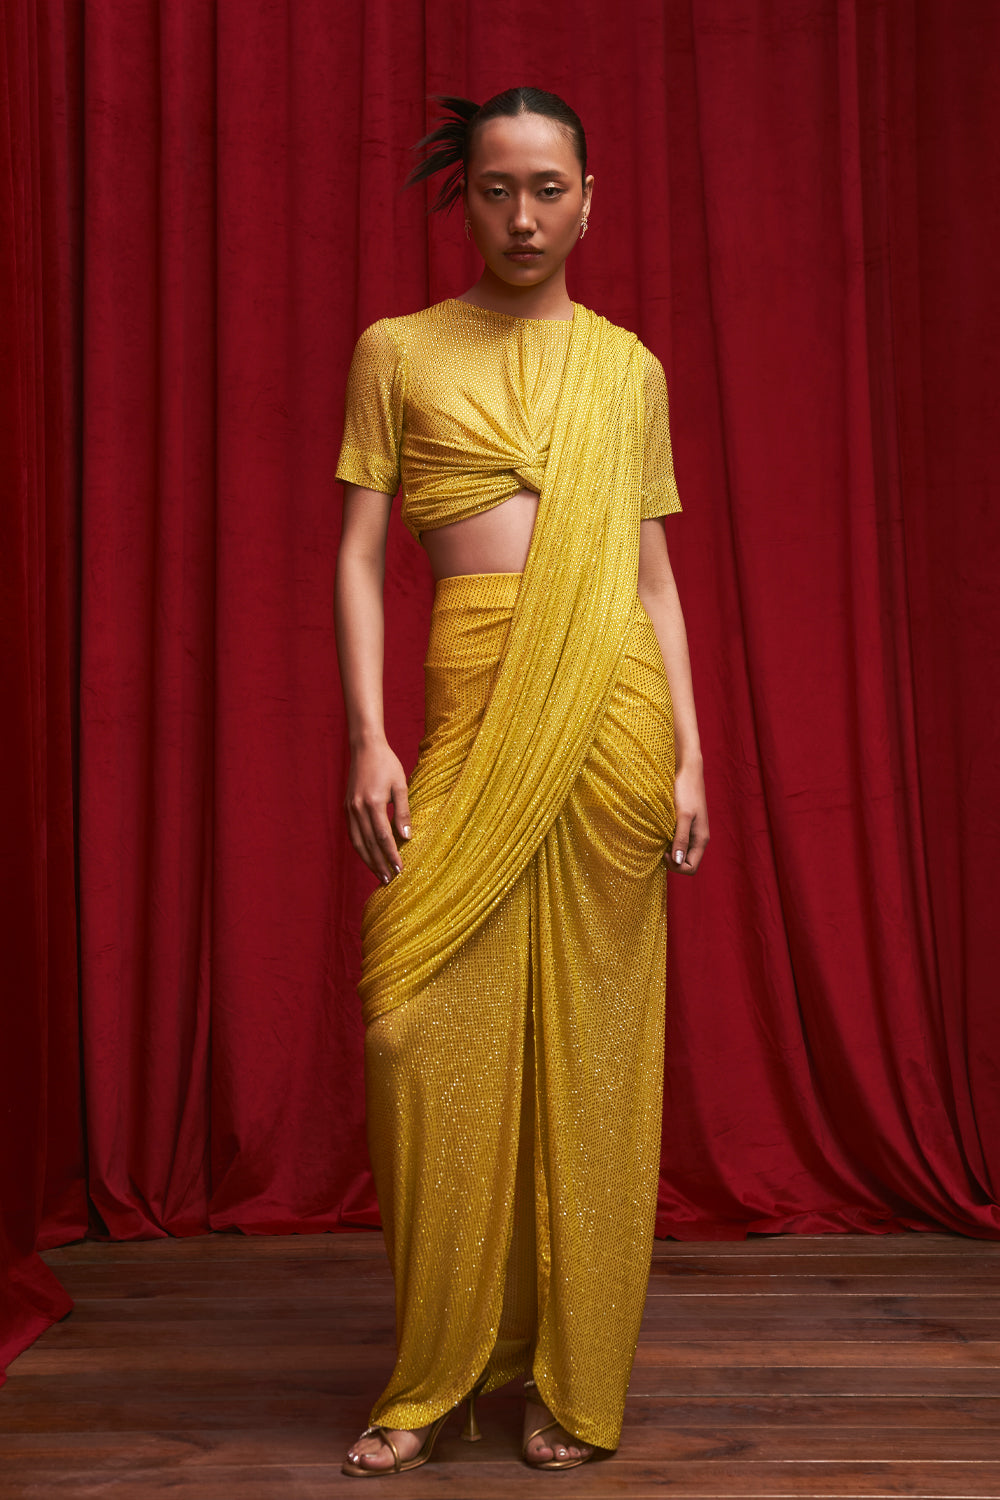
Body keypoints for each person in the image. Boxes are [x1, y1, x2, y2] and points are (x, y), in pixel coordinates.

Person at [334, 85, 708, 1478]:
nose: (524, 214)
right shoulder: (399, 350)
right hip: (473, 698)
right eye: (498, 188)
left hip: (611, 706)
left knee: (594, 1047)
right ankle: (437, 1371)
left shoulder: (628, 370)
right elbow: (357, 557)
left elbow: (653, 579)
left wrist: (692, 751)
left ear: (589, 200)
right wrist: (367, 735)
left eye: (549, 187)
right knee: (413, 1031)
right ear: (468, 200)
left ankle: (569, 1377)